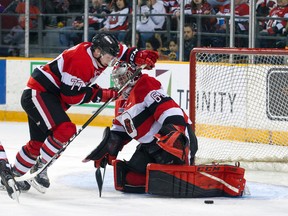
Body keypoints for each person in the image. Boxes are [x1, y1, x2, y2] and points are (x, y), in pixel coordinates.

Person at [0, 33, 159, 200]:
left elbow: (123, 53)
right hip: (39, 94)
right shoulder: (80, 60)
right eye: (109, 56)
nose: (112, 60)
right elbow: (71, 96)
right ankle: (41, 167)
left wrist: (140, 55)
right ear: (97, 52)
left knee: (38, 144)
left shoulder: (100, 52)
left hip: (48, 97)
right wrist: (103, 94)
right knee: (65, 130)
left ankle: (14, 175)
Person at [83, 61, 198, 194]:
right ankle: (161, 173)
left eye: (123, 77)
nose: (120, 82)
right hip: (151, 148)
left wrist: (176, 141)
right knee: (128, 180)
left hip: (176, 142)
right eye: (117, 79)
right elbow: (120, 132)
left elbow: (170, 111)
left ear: (134, 75)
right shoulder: (121, 100)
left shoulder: (145, 84)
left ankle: (181, 165)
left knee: (168, 176)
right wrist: (108, 147)